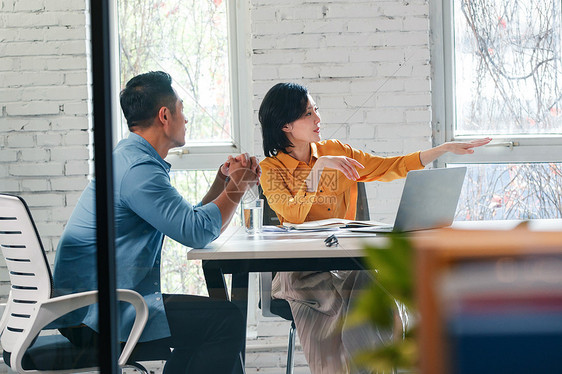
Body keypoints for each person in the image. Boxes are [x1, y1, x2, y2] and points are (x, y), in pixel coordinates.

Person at [258, 82, 491, 374]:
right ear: (286, 125)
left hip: (347, 264)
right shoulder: (270, 170)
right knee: (362, 300)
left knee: (372, 288)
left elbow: (385, 167)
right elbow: (292, 213)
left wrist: (440, 151)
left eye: (316, 109)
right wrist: (319, 169)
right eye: (308, 113)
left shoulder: (335, 150)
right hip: (303, 272)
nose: (318, 118)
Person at [51, 71, 260, 374]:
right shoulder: (138, 170)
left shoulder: (130, 159)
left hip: (93, 306)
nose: (186, 118)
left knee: (210, 323)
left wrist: (223, 182)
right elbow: (197, 231)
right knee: (225, 321)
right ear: (165, 115)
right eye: (182, 109)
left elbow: (189, 220)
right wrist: (237, 187)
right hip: (99, 315)